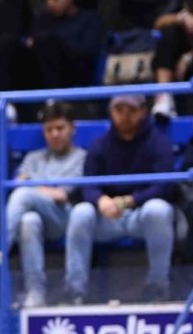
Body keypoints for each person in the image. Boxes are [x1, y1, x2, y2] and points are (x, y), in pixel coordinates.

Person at [0, 101, 86, 308]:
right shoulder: (33, 158)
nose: (54, 134)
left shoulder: (81, 158)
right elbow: (19, 182)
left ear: (72, 128)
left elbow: (62, 194)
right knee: (27, 220)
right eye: (49, 130)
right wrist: (40, 189)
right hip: (38, 219)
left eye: (60, 128)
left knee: (23, 195)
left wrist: (32, 186)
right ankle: (36, 292)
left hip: (66, 219)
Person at [63, 93, 183, 304]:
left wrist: (131, 200)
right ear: (111, 112)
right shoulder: (99, 145)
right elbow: (87, 185)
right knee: (81, 212)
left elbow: (164, 186)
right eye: (119, 110)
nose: (125, 116)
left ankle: (158, 287)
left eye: (131, 110)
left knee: (158, 209)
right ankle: (75, 291)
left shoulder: (159, 142)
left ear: (143, 112)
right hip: (108, 217)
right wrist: (101, 200)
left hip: (141, 216)